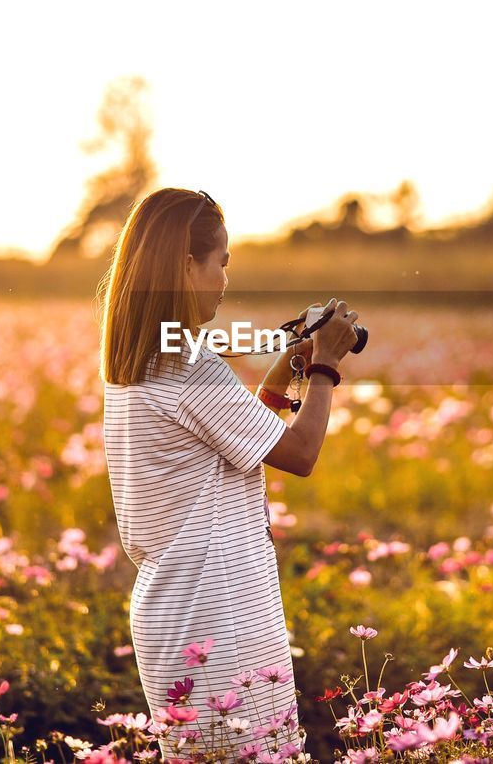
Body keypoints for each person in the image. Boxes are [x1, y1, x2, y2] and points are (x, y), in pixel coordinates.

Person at [98, 187, 359, 761]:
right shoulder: (191, 368)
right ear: (186, 265)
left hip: (179, 612)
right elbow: (300, 453)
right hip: (219, 617)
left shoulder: (138, 368)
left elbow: (233, 446)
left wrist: (288, 367)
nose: (224, 279)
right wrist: (323, 368)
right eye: (222, 262)